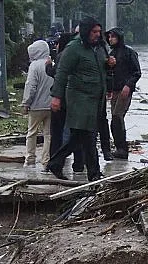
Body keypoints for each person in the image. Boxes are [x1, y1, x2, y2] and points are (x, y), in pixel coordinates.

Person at [46, 17, 109, 182]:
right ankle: (94, 174)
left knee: (80, 136)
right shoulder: (74, 48)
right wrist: (57, 97)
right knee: (88, 135)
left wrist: (110, 64)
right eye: (94, 32)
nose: (97, 35)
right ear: (86, 32)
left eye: (99, 31)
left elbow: (101, 69)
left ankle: (55, 163)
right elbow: (61, 73)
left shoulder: (100, 47)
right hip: (79, 98)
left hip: (95, 99)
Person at [45, 33, 85, 173]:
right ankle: (79, 163)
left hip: (63, 100)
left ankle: (55, 163)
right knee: (77, 132)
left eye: (57, 43)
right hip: (76, 100)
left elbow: (57, 74)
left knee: (58, 134)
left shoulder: (64, 56)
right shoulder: (81, 55)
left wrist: (48, 66)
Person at [105, 27, 142, 160]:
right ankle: (119, 148)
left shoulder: (129, 52)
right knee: (115, 119)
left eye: (113, 37)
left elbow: (137, 72)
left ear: (119, 38)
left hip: (124, 90)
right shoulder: (111, 53)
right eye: (109, 37)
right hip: (115, 90)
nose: (111, 39)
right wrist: (109, 89)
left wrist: (128, 85)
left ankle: (122, 149)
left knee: (117, 117)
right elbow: (109, 74)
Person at [22, 40, 53, 167]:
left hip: (36, 106)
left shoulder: (34, 66)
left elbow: (31, 86)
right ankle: (46, 160)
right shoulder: (52, 64)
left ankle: (30, 159)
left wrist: (26, 103)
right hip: (51, 105)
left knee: (32, 132)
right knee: (48, 135)